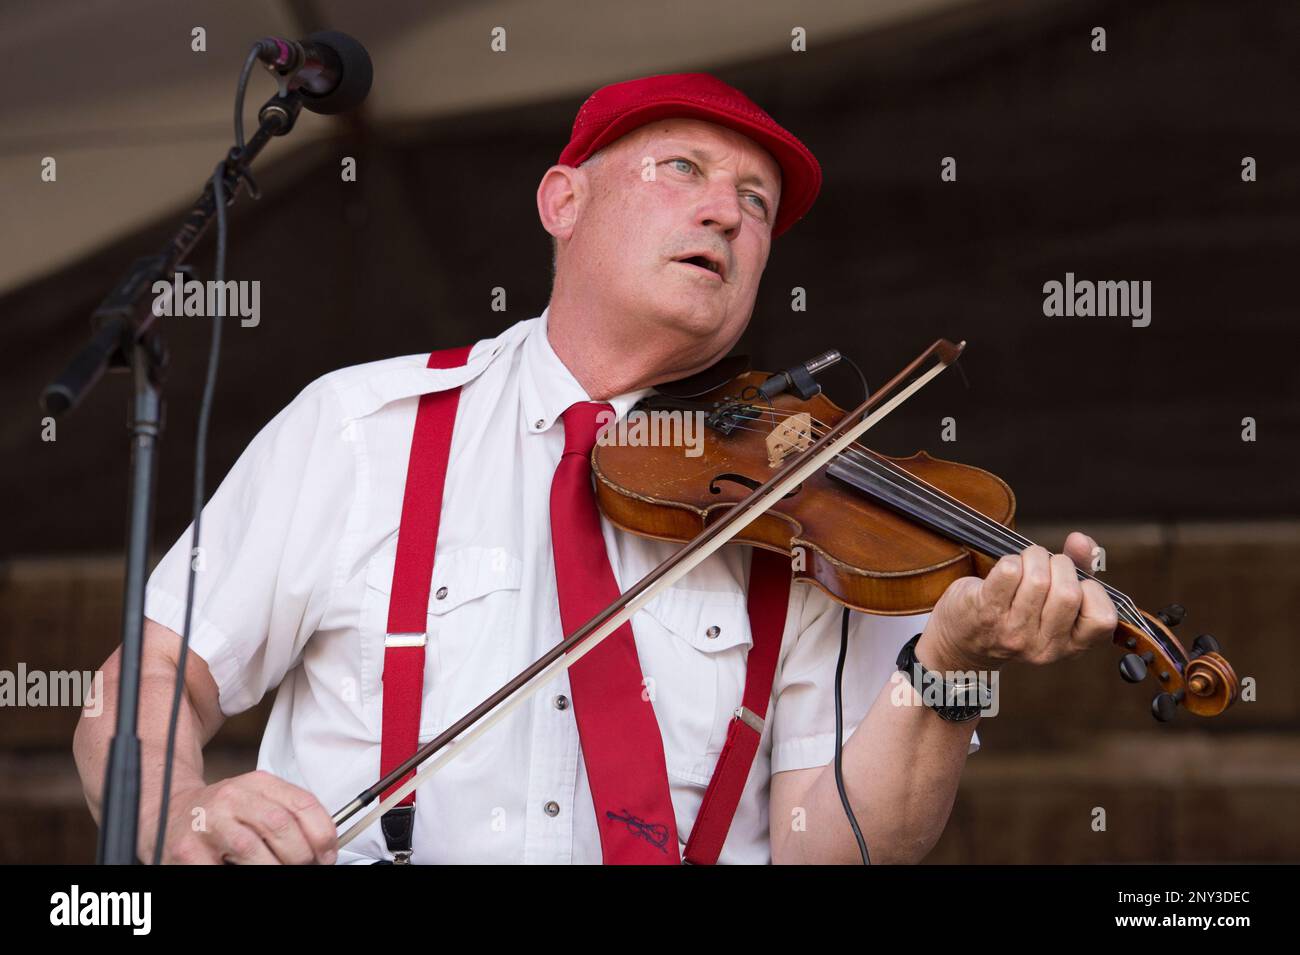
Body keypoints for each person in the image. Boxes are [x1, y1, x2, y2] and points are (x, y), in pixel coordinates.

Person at [73, 72, 1117, 865]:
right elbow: (158, 673)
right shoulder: (360, 427)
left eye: (756, 203)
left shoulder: (816, 513)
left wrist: (950, 666)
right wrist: (178, 814)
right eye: (684, 172)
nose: (725, 213)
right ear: (562, 200)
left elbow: (840, 844)